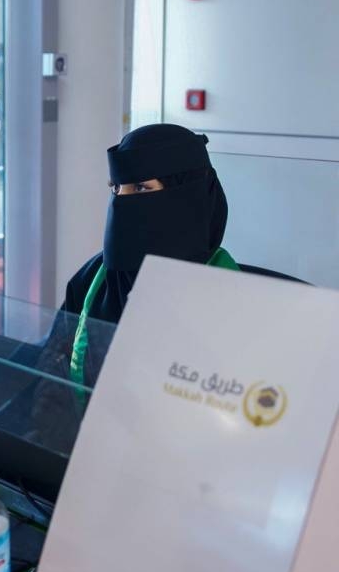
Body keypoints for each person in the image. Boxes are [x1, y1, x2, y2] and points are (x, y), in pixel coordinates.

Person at [25, 124, 236, 452]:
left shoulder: (230, 295)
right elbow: (51, 380)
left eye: (140, 187)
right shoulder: (94, 278)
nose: (121, 203)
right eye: (116, 188)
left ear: (186, 198)